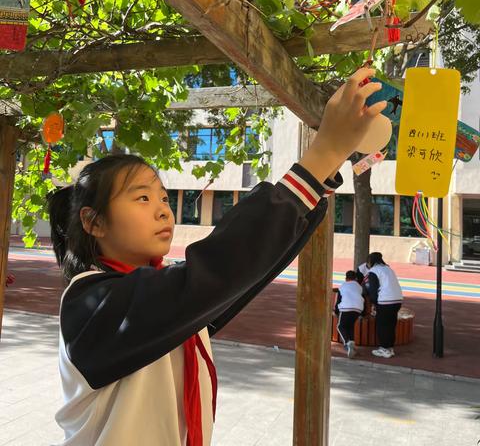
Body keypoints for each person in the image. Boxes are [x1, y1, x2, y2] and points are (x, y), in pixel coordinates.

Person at [48, 68, 386, 446]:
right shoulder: (88, 304)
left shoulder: (168, 309)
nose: (163, 211)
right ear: (93, 223)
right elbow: (219, 268)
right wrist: (322, 154)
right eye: (143, 198)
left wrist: (320, 179)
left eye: (163, 198)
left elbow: (245, 273)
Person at [366, 252, 403, 359]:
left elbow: (373, 290)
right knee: (391, 324)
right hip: (397, 299)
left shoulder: (373, 271)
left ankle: (384, 348)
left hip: (385, 301)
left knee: (382, 325)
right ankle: (390, 348)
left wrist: (374, 303)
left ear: (370, 261)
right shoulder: (388, 269)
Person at [334, 270, 365, 358]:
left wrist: (336, 311)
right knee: (350, 326)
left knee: (340, 326)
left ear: (346, 278)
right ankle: (352, 345)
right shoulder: (359, 287)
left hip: (346, 308)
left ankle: (347, 344)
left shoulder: (343, 286)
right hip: (358, 309)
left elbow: (338, 300)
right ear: (355, 278)